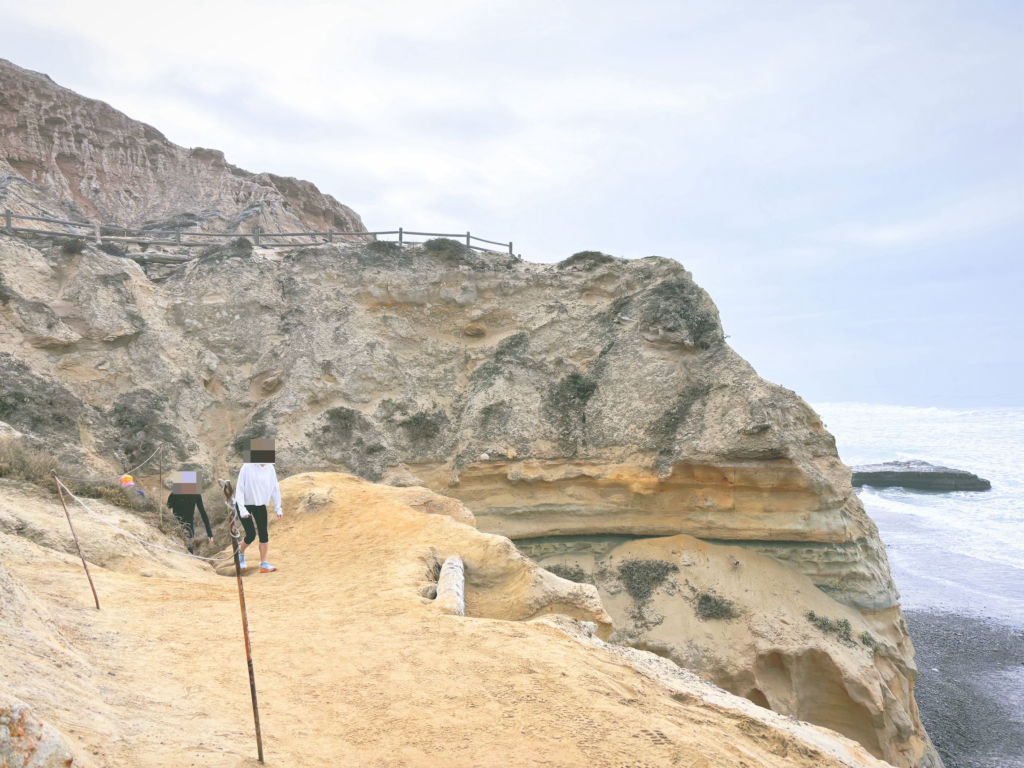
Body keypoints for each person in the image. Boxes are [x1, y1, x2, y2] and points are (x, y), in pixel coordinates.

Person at [233, 438, 282, 573]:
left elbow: (274, 487)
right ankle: (240, 553)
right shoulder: (247, 467)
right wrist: (242, 510)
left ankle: (263, 563)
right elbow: (240, 490)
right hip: (245, 505)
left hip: (260, 505)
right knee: (250, 535)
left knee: (264, 534)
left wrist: (278, 507)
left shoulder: (270, 468)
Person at [165, 471, 213, 554]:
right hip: (176, 526)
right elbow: (166, 512)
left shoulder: (195, 494)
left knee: (188, 547)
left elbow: (203, 513)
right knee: (182, 547)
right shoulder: (174, 494)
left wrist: (210, 534)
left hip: (189, 526)